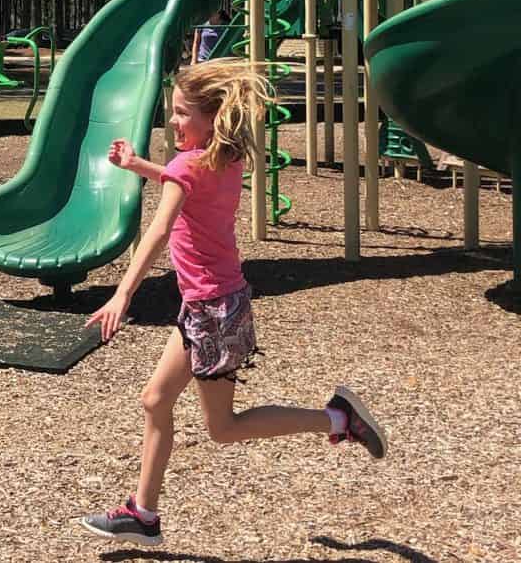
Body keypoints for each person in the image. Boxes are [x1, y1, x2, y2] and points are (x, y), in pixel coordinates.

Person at [79, 57, 387, 548]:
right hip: (216, 304)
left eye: (182, 114)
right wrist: (140, 165)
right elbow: (185, 180)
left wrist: (123, 292)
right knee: (155, 400)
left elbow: (159, 230)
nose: (173, 122)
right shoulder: (222, 159)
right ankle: (143, 514)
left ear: (210, 117)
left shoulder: (188, 166)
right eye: (172, 112)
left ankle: (338, 419)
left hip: (211, 311)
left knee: (222, 427)